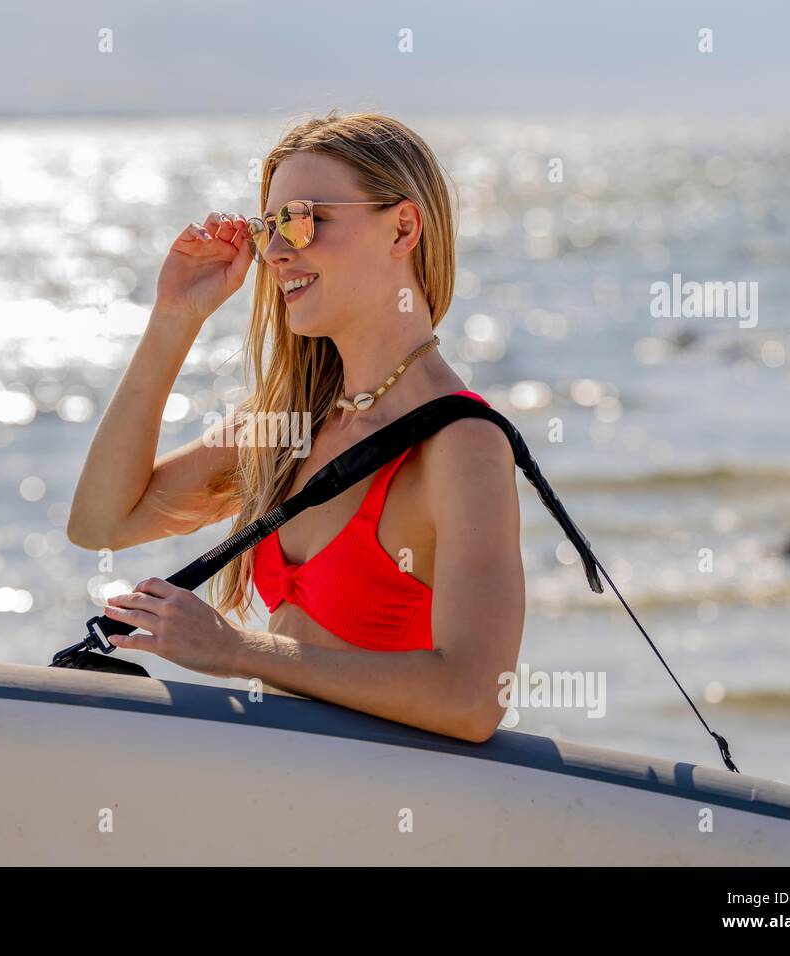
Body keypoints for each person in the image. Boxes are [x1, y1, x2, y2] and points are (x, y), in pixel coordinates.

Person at [67, 110, 524, 744]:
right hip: (292, 802)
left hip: (392, 816)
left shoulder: (461, 444)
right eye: (270, 225)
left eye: (305, 219)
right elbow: (100, 523)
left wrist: (236, 651)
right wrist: (175, 318)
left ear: (402, 227)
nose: (278, 251)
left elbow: (473, 700)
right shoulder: (288, 423)